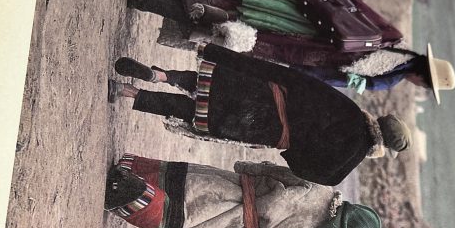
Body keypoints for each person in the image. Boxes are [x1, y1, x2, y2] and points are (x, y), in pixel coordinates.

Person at [108, 46, 412, 186]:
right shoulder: (349, 161)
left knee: (200, 83)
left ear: (380, 120)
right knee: (190, 112)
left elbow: (301, 81)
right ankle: (129, 92)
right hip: (263, 129)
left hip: (267, 94)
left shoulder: (350, 110)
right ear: (383, 146)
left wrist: (238, 61)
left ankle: (160, 75)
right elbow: (317, 175)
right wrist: (291, 150)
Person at [127, 0, 455, 100]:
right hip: (293, 48)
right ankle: (150, 2)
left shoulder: (394, 38)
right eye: (424, 86)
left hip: (302, 17)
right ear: (421, 79)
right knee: (225, 32)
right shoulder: (386, 79)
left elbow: (355, 5)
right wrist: (295, 75)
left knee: (235, 3)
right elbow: (333, 77)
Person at [104, 156, 382, 228]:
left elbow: (282, 173)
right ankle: (131, 195)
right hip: (238, 221)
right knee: (183, 215)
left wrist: (249, 168)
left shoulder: (323, 189)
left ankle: (130, 173)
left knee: (189, 182)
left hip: (241, 186)